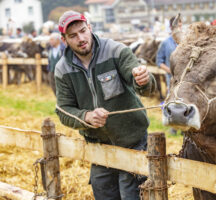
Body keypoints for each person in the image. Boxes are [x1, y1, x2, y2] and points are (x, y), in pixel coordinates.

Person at [55, 10, 156, 200]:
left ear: (90, 28)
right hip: (98, 148)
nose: (81, 38)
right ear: (64, 39)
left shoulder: (116, 51)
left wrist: (143, 79)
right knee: (104, 195)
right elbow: (63, 111)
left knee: (132, 195)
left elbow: (144, 86)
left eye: (83, 31)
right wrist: (86, 117)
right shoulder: (62, 70)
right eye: (73, 36)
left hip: (132, 142)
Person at [156, 16, 182, 135]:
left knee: (184, 101)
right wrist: (170, 71)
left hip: (184, 79)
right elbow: (159, 61)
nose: (180, 28)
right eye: (178, 25)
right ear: (172, 27)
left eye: (181, 25)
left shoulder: (185, 41)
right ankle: (173, 127)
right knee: (172, 101)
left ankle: (183, 128)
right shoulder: (165, 43)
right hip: (171, 79)